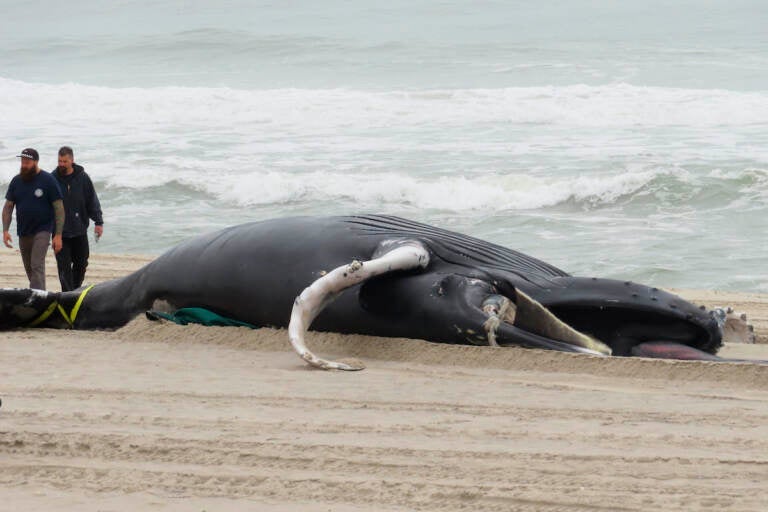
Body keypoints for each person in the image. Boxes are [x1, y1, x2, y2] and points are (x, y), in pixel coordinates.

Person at [2, 148, 65, 290]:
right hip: (24, 231)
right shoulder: (16, 181)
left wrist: (58, 235)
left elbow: (59, 208)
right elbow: (8, 207)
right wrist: (5, 230)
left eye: (27, 162)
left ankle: (37, 300)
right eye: (22, 162)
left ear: (36, 162)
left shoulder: (48, 180)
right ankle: (39, 293)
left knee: (37, 264)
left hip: (43, 230)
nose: (24, 165)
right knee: (30, 268)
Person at [51, 146, 104, 292]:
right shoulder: (52, 179)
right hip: (60, 234)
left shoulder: (83, 178)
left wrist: (98, 222)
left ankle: (74, 292)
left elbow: (92, 200)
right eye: (59, 161)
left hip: (80, 230)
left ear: (72, 160)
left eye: (65, 161)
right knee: (64, 268)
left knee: (81, 264)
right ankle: (68, 295)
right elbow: (46, 207)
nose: (61, 164)